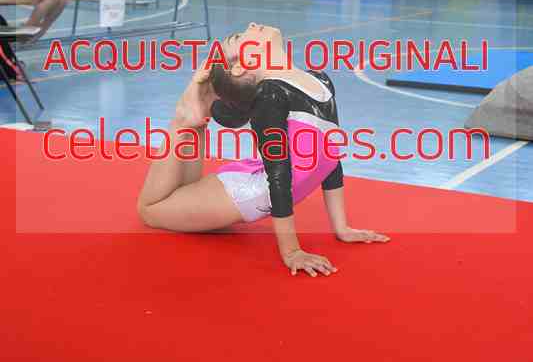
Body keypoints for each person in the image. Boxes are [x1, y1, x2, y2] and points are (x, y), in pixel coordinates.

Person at [138, 23, 389, 277]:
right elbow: (278, 175)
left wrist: (342, 227)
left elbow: (331, 156)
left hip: (251, 177)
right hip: (248, 191)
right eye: (239, 36)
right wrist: (291, 251)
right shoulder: (270, 95)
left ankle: (194, 120)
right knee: (150, 210)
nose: (252, 25)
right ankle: (183, 121)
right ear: (241, 65)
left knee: (182, 195)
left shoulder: (320, 80)